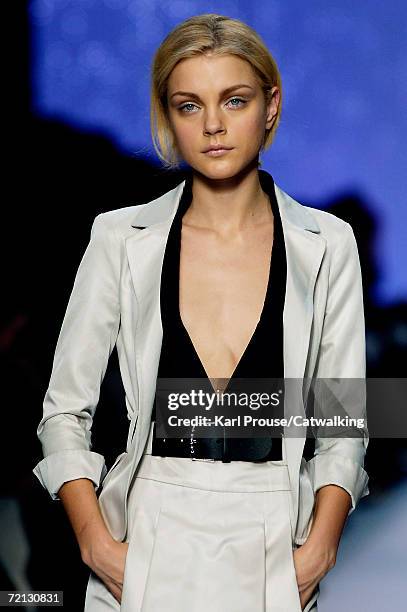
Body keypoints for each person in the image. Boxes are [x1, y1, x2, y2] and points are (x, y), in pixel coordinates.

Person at [33, 13, 369, 612]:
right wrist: (95, 542)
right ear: (169, 116)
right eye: (189, 106)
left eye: (233, 100)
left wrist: (321, 546)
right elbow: (63, 410)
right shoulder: (119, 238)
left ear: (270, 105)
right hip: (148, 529)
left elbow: (344, 417)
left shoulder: (327, 244)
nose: (213, 125)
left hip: (276, 532)